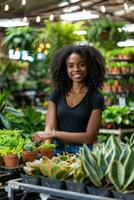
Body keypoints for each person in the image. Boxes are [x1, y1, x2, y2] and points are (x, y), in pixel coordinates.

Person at [33, 45, 106, 154]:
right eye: (70, 66)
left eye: (81, 65)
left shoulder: (96, 97)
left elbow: (89, 137)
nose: (76, 69)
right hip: (58, 150)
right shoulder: (57, 93)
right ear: (65, 68)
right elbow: (50, 128)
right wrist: (46, 152)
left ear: (89, 67)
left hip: (83, 152)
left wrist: (54, 134)